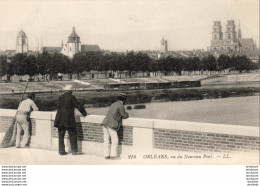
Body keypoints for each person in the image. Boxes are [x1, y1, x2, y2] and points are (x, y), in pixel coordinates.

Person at [54, 85, 87, 155]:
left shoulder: (60, 97)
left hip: (60, 118)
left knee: (61, 136)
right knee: (73, 134)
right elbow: (78, 106)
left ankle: (61, 151)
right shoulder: (72, 97)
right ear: (71, 91)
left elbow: (59, 107)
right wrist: (84, 113)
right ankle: (74, 151)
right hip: (69, 118)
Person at [101, 93, 129, 160]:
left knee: (106, 140)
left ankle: (106, 155)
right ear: (124, 100)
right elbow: (124, 115)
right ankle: (113, 156)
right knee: (115, 140)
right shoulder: (121, 105)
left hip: (105, 123)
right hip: (112, 124)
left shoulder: (113, 104)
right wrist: (127, 114)